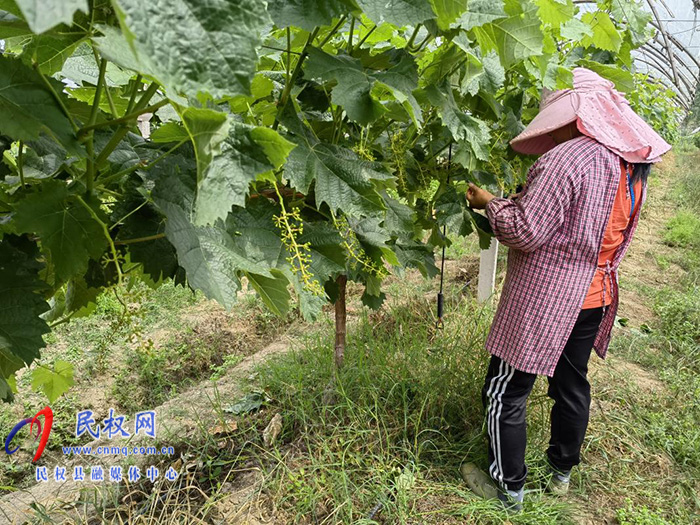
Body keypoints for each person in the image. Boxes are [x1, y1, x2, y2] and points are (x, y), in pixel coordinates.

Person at [462, 68, 672, 511]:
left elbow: (525, 230)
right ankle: (561, 473)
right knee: (571, 385)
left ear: (575, 114)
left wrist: (490, 205)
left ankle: (508, 490)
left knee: (507, 389)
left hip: (548, 297)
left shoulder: (569, 158)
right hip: (595, 295)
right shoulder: (632, 163)